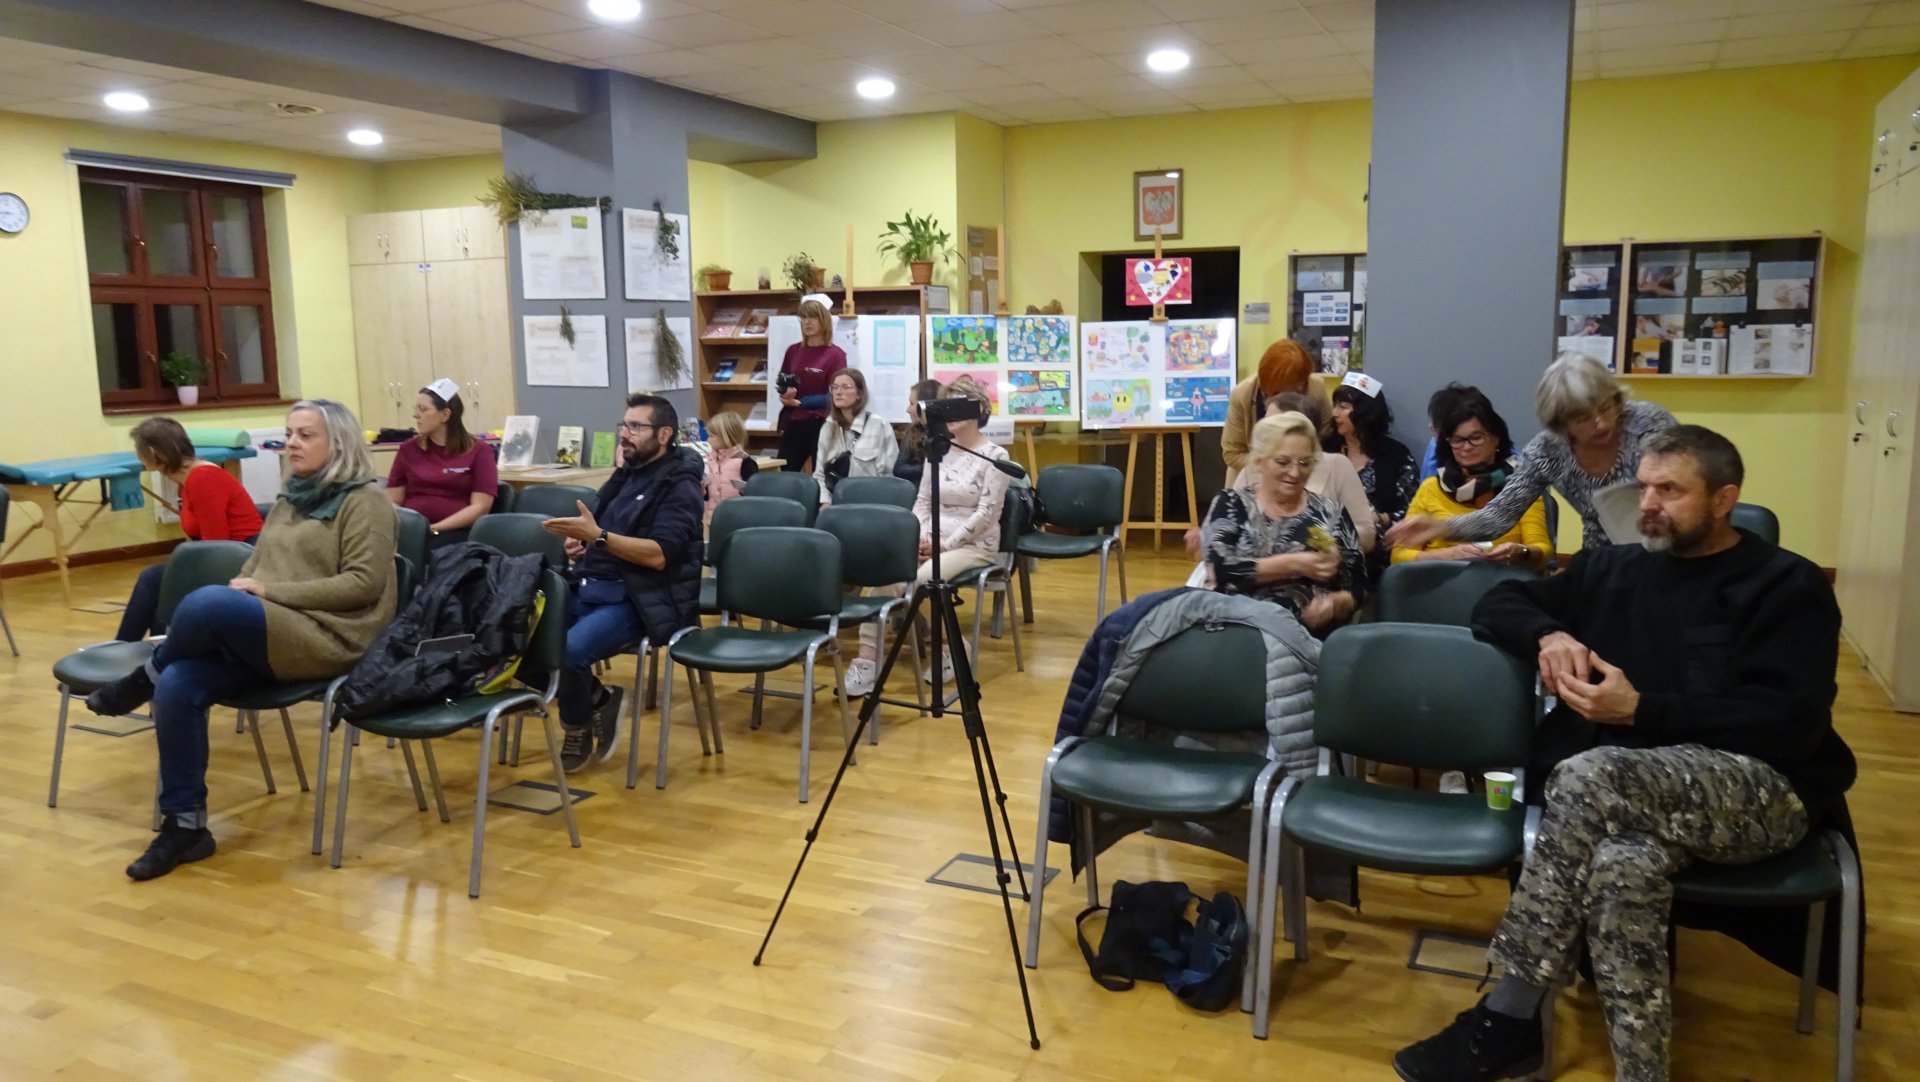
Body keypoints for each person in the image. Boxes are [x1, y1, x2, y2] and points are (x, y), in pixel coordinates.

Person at [1392, 426, 1853, 1082]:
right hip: (1633, 796)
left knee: (1586, 775)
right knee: (1620, 867)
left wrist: (1641, 710)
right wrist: (1548, 635)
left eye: (1671, 491)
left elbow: (1788, 721)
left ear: (1724, 500)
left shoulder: (1786, 585)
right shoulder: (1615, 568)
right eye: (1645, 488)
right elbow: (1500, 601)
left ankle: (1508, 1016)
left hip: (1761, 788)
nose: (1650, 505)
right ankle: (1642, 1070)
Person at [85, 400, 397, 881]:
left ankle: (145, 675)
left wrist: (267, 592)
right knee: (178, 684)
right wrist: (249, 585)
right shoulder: (294, 495)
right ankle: (185, 827)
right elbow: (257, 563)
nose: (292, 442)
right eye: (289, 433)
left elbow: (363, 585)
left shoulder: (365, 501)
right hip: (274, 631)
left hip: (332, 636)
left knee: (209, 602)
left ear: (339, 443)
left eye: (305, 435)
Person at [540, 393, 704, 771]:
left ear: (664, 434)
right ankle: (599, 699)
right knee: (519, 636)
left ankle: (576, 725)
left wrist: (598, 538)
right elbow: (598, 533)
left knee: (568, 651)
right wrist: (580, 544)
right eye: (624, 425)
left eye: (635, 427)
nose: (624, 434)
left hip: (641, 598)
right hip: (590, 584)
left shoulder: (681, 487)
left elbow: (658, 554)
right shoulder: (625, 475)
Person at [1388, 354, 1677, 554]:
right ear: (1560, 422)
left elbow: (1687, 486)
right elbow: (1499, 515)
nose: (1600, 423)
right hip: (1606, 558)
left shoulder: (1647, 423)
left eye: (1606, 408)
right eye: (1582, 418)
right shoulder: (1547, 451)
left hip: (1671, 546)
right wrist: (1441, 527)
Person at [846, 376, 1008, 696]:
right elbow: (922, 501)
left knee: (923, 582)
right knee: (883, 578)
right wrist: (918, 538)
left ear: (978, 410)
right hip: (929, 541)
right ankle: (867, 661)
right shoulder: (940, 451)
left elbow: (986, 514)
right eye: (945, 407)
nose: (950, 414)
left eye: (959, 406)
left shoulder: (995, 456)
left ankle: (949, 649)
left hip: (973, 545)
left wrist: (943, 545)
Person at [1203, 411, 1365, 635]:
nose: (1295, 472)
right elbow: (1220, 570)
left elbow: (1358, 586)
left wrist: (1337, 603)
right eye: (1282, 462)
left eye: (1304, 463)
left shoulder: (1331, 513)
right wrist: (1295, 563)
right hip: (1235, 633)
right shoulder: (1231, 504)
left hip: (1306, 637)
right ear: (1259, 462)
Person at [116, 418, 264, 642]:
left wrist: (183, 569)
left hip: (241, 560)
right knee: (160, 581)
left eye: (139, 448)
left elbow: (216, 546)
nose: (137, 454)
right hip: (227, 553)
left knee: (153, 579)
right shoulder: (187, 479)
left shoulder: (202, 479)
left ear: (154, 453)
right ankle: (153, 647)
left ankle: (123, 646)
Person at [1391, 387, 1552, 572]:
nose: (1466, 447)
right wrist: (1444, 556)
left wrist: (1521, 552)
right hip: (1438, 583)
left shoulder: (1520, 486)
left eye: (1476, 438)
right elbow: (1398, 556)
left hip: (1502, 581)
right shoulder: (1431, 488)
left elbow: (1543, 552)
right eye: (1457, 440)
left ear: (1496, 439)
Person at [385, 378, 497, 551]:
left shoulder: (479, 451)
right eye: (416, 409)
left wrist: (433, 529)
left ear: (445, 415)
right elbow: (391, 500)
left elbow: (480, 507)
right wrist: (409, 527)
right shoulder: (408, 449)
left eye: (423, 409)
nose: (416, 415)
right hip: (411, 531)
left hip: (455, 532)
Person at [1326, 373, 1417, 558]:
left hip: (1380, 548)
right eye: (1335, 406)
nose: (1335, 413)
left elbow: (1413, 509)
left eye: (1343, 407)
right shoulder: (1325, 449)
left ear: (1365, 412)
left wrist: (1381, 518)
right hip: (1329, 543)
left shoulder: (1396, 455)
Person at [1221, 338, 1312, 482]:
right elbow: (1232, 453)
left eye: (1301, 385)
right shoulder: (1242, 395)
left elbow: (1325, 438)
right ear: (1271, 387)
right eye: (1291, 388)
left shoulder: (1315, 389)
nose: (1300, 389)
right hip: (1250, 479)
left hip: (1302, 480)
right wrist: (1274, 464)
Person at [774, 298, 847, 473]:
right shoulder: (793, 351)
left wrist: (801, 402)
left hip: (822, 423)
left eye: (813, 317)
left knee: (821, 477)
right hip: (794, 421)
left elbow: (836, 395)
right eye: (803, 317)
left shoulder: (836, 355)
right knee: (783, 474)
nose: (807, 322)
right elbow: (784, 379)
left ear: (824, 320)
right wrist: (786, 392)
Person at [813, 367, 898, 506]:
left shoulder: (879, 425)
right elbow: (819, 474)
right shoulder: (828, 427)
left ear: (859, 393)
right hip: (835, 503)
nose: (838, 392)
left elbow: (887, 477)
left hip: (870, 502)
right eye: (834, 387)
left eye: (846, 387)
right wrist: (825, 502)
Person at [701, 410, 757, 523]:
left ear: (726, 436)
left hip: (738, 519)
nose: (708, 440)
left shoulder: (744, 462)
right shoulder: (710, 461)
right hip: (712, 519)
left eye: (711, 436)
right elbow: (706, 495)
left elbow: (754, 493)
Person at [892, 378, 943, 489]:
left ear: (926, 406)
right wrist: (929, 466)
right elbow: (898, 469)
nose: (908, 409)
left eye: (912, 404)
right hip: (917, 493)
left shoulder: (951, 433)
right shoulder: (913, 431)